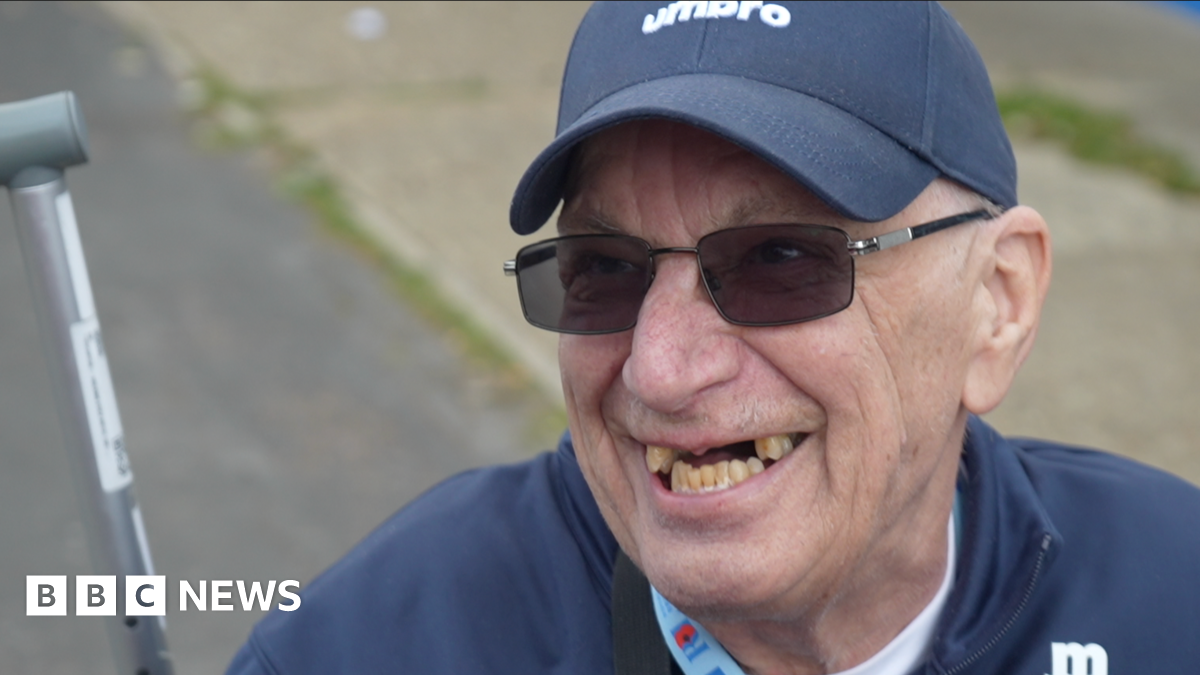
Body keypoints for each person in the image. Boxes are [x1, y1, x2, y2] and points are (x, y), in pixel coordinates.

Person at [227, 2, 1200, 674]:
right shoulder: (370, 646)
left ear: (999, 301)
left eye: (783, 258)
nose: (662, 368)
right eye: (604, 268)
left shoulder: (1174, 603)